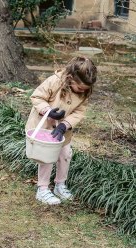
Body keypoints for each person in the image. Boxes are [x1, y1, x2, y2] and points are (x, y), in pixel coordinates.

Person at [25, 56, 97, 205]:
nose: (82, 91)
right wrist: (48, 111)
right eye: (80, 87)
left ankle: (60, 185)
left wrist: (65, 125)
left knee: (65, 154)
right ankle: (43, 189)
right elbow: (37, 96)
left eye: (85, 89)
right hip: (44, 127)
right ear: (70, 78)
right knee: (46, 157)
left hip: (63, 131)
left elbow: (79, 112)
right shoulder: (54, 81)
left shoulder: (84, 92)